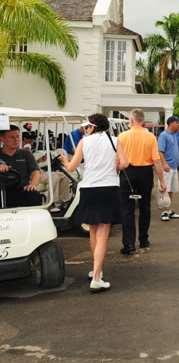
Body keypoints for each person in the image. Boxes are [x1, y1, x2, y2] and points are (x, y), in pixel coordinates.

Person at [60, 114, 129, 293]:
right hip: (109, 187)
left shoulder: (84, 142)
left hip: (89, 187)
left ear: (92, 126)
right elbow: (125, 163)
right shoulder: (115, 140)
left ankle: (97, 271)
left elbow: (71, 168)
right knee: (103, 233)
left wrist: (64, 160)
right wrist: (115, 168)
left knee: (93, 229)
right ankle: (97, 276)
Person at [117, 108, 167, 254]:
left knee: (127, 209)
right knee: (145, 207)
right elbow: (156, 161)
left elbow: (118, 159)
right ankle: (143, 239)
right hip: (145, 173)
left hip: (127, 173)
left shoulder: (122, 136)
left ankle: (128, 243)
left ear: (131, 121)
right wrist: (161, 180)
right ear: (143, 121)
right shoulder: (150, 137)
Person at [0, 125, 42, 207]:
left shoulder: (26, 154)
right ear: (2, 139)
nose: (16, 140)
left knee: (34, 195)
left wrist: (33, 184)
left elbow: (35, 172)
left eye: (18, 136)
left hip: (21, 190)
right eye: (12, 137)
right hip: (2, 190)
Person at [158, 117, 179, 222]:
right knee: (164, 189)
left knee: (171, 189)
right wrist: (164, 164)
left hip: (174, 166)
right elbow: (160, 151)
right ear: (171, 123)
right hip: (167, 167)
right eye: (177, 122)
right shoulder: (164, 135)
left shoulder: (175, 135)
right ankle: (164, 211)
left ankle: (169, 210)